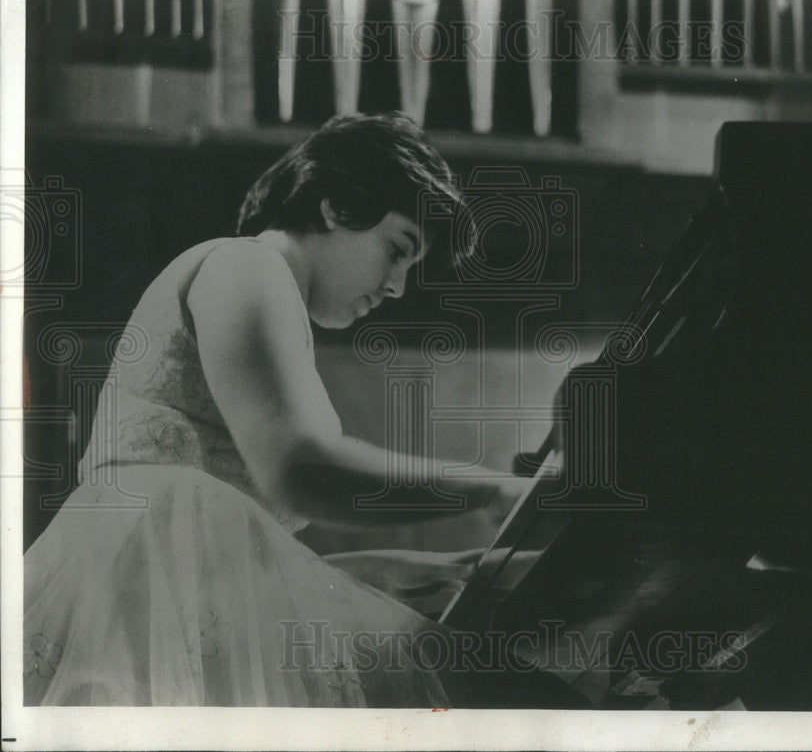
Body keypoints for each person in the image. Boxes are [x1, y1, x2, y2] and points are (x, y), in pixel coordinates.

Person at [23, 113, 532, 707]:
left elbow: (243, 560)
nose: (398, 287)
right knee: (474, 684)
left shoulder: (264, 290)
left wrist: (410, 568)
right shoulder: (247, 264)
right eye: (398, 249)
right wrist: (491, 490)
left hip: (154, 585)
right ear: (336, 207)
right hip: (144, 585)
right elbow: (300, 470)